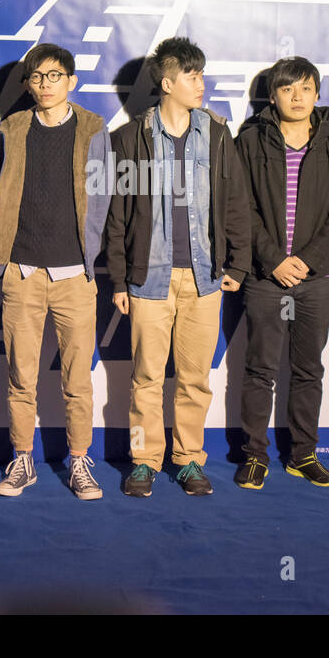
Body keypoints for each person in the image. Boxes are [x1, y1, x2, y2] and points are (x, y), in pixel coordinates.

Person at [107, 37, 251, 497]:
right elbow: (117, 213)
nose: (201, 84)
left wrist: (238, 264)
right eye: (191, 76)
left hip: (205, 277)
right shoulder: (130, 138)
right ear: (167, 83)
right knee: (145, 379)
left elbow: (235, 202)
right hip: (148, 277)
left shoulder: (217, 134)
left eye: (202, 75)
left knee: (194, 379)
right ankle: (143, 461)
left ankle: (188, 460)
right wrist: (119, 278)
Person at [0, 43, 110, 500]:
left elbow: (104, 204)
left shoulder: (95, 131)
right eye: (37, 77)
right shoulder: (11, 130)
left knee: (77, 378)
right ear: (27, 84)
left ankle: (79, 461)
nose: (45, 84)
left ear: (71, 81)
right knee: (21, 376)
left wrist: (95, 264)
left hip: (75, 275)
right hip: (21, 273)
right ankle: (22, 460)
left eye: (54, 76)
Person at [233, 57, 329, 489]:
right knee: (259, 370)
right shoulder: (249, 142)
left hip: (314, 277)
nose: (297, 96)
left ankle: (302, 455)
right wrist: (273, 260)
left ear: (317, 93)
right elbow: (240, 208)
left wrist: (308, 258)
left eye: (305, 88)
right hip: (266, 277)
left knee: (309, 370)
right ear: (273, 96)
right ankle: (253, 456)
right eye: (287, 89)